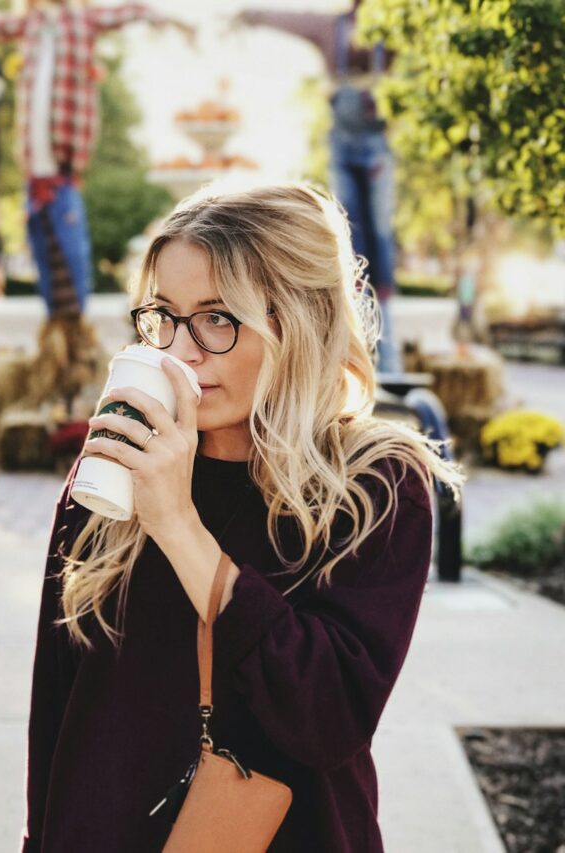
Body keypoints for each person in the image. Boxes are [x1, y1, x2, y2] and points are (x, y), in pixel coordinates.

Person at [23, 182, 464, 852]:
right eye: (164, 315)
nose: (182, 350)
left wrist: (178, 525)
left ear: (298, 321)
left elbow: (328, 716)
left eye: (218, 318)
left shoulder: (374, 484)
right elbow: (55, 708)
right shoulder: (120, 465)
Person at [0, 0, 194, 319]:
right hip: (33, 176)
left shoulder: (83, 18)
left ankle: (77, 330)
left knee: (71, 257)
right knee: (45, 263)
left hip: (62, 170)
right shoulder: (30, 23)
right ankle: (57, 331)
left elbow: (130, 11)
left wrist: (170, 21)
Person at [233, 2, 403, 374]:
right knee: (349, 235)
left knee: (380, 234)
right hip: (342, 145)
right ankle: (356, 346)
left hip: (378, 146)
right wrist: (252, 15)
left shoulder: (393, 25)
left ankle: (389, 353)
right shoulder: (332, 28)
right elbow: (291, 20)